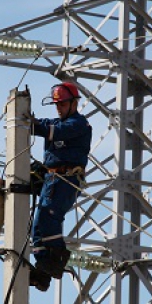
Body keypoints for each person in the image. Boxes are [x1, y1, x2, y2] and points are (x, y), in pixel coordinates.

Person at [28, 82, 92, 291]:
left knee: (49, 218)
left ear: (74, 103)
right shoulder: (56, 122)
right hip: (52, 181)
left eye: (62, 104)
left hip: (66, 180)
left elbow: (52, 130)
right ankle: (43, 269)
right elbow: (44, 124)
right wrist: (25, 120)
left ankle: (52, 265)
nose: (59, 108)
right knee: (38, 225)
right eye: (57, 104)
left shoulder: (78, 124)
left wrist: (32, 124)